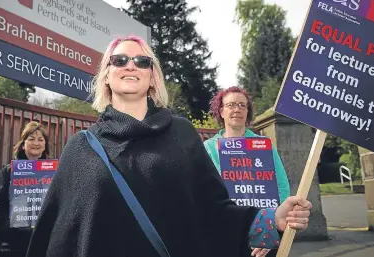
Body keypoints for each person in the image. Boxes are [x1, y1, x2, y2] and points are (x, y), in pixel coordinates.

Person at [26, 35, 311, 257]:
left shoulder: (182, 133)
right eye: (120, 59)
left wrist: (271, 219)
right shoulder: (80, 148)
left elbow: (214, 212)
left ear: (152, 77)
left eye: (142, 61)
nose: (131, 65)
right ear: (106, 76)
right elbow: (59, 236)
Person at [203, 87, 291, 257]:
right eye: (231, 105)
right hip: (225, 231)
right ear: (221, 111)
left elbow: (281, 187)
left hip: (264, 228)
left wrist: (269, 229)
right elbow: (203, 193)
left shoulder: (264, 145)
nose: (237, 109)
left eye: (243, 106)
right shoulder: (208, 148)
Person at [0, 121, 50, 257]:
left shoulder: (54, 173)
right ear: (23, 144)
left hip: (43, 245)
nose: (36, 143)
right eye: (31, 139)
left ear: (45, 145)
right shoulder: (8, 172)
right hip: (13, 247)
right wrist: (14, 226)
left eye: (40, 139)